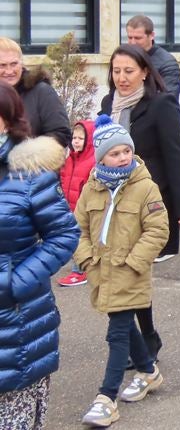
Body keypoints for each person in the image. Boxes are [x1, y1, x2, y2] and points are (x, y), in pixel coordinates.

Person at [76, 114, 170, 428]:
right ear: (101, 157)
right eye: (114, 154)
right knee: (124, 324)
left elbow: (157, 230)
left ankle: (106, 398)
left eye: (125, 152)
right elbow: (78, 230)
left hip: (131, 273)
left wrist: (133, 263)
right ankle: (148, 370)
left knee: (116, 332)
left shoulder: (145, 187)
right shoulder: (92, 189)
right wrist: (87, 260)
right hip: (101, 273)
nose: (122, 158)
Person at [0, 83, 79, 429]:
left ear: (5, 120)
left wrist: (14, 282)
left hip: (15, 323)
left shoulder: (28, 173)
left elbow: (64, 235)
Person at [102, 45, 180, 262]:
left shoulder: (161, 104)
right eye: (116, 71)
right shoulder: (109, 104)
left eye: (129, 71)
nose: (121, 78)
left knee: (139, 269)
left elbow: (176, 158)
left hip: (151, 199)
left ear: (145, 72)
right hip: (114, 198)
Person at [0, 38, 71, 147]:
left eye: (14, 64)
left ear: (22, 63)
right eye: (2, 65)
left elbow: (61, 134)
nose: (9, 71)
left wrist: (31, 153)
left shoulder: (42, 92)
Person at [58, 119, 96, 287]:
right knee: (73, 238)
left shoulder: (93, 162)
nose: (76, 141)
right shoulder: (70, 159)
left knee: (81, 239)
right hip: (70, 208)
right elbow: (63, 179)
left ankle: (79, 271)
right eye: (74, 138)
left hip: (85, 210)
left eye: (80, 138)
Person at [124, 15, 180, 100]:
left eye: (138, 38)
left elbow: (169, 99)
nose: (133, 42)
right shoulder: (125, 57)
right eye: (129, 37)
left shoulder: (167, 63)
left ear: (151, 35)